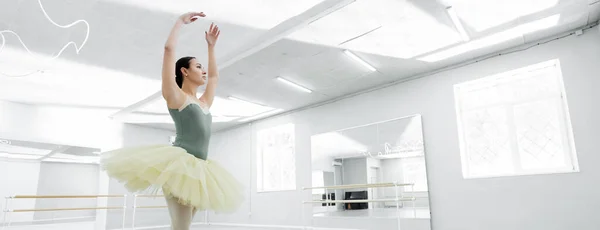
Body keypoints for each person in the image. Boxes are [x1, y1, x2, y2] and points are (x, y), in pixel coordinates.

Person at [100, 12, 243, 230]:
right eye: (198, 67)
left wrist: (211, 47)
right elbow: (168, 51)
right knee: (182, 227)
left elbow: (214, 78)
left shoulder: (204, 102)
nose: (203, 71)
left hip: (201, 170)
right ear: (184, 71)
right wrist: (179, 23)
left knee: (181, 226)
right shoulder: (176, 96)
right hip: (180, 167)